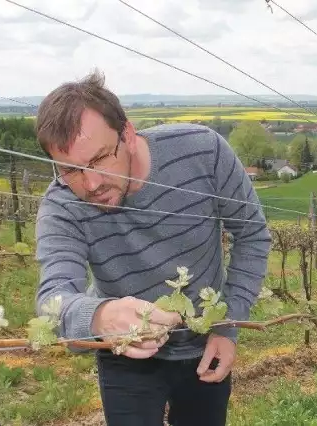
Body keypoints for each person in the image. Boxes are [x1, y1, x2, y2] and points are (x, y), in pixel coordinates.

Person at [33, 69, 271, 426]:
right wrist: (100, 317)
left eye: (99, 159)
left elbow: (252, 235)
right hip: (123, 350)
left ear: (127, 134)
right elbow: (54, 298)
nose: (91, 183)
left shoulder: (202, 151)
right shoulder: (62, 203)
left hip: (206, 343)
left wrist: (227, 326)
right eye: (70, 170)